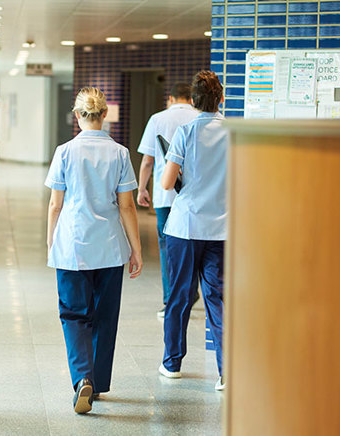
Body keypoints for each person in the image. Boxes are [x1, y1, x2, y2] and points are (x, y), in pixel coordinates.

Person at [45, 87, 143, 414]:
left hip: (73, 244)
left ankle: (82, 378)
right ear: (104, 116)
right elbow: (127, 206)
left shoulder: (64, 152)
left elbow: (55, 204)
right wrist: (136, 249)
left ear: (77, 116)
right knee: (104, 316)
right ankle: (97, 383)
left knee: (74, 314)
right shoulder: (120, 153)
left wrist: (51, 240)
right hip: (111, 247)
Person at [158, 71, 227, 391]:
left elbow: (167, 183)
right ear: (221, 99)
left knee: (179, 297)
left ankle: (172, 363)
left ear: (194, 102)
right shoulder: (234, 133)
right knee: (218, 298)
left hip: (185, 228)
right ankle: (226, 372)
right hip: (222, 228)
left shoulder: (185, 132)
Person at [137, 84, 199, 318]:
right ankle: (191, 291)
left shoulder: (158, 118)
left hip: (165, 195)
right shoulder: (198, 117)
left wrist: (142, 188)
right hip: (193, 194)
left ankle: (170, 299)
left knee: (166, 246)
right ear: (190, 98)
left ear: (171, 98)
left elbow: (147, 160)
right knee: (192, 243)